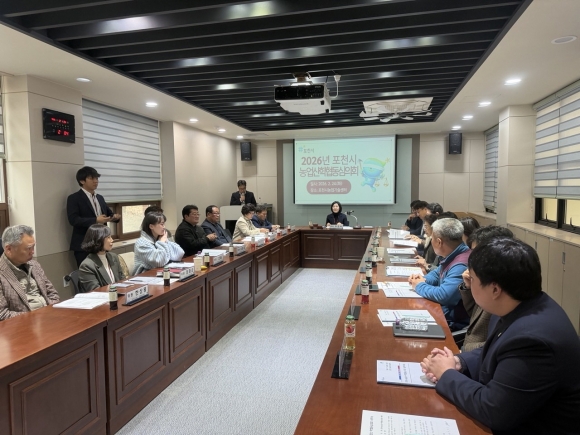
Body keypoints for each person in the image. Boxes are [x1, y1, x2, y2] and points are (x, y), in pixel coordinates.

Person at [420, 238, 580, 435]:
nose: (468, 281)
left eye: (473, 279)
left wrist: (446, 373)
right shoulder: (518, 305)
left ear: (495, 289)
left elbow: (493, 410)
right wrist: (459, 362)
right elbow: (495, 351)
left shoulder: (533, 340)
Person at [458, 226, 514, 352]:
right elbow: (475, 316)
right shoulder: (485, 277)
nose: (472, 258)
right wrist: (469, 287)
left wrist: (461, 353)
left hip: (476, 354)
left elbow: (497, 344)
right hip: (470, 350)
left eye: (477, 253)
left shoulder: (502, 287)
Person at [409, 218, 470, 330]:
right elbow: (437, 273)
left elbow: (444, 295)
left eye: (431, 238)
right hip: (442, 313)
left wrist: (419, 285)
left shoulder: (461, 264)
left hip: (451, 322)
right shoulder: (454, 253)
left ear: (439, 242)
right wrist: (423, 279)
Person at [0, 225, 60, 320]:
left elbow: (53, 294)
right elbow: (2, 314)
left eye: (33, 247)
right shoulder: (2, 273)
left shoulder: (34, 265)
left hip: (48, 318)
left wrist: (51, 314)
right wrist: (35, 317)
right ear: (9, 249)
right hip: (22, 324)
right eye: (28, 248)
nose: (32, 252)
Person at [67, 166, 120, 267]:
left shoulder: (99, 198)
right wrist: (95, 220)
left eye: (96, 178)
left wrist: (115, 217)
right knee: (87, 272)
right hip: (84, 244)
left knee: (104, 271)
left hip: (102, 242)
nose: (96, 181)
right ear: (82, 181)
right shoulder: (74, 198)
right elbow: (73, 220)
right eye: (92, 178)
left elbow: (109, 214)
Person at [78, 224, 126, 291]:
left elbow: (122, 280)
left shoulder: (113, 257)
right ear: (98, 240)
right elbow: (96, 291)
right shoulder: (86, 266)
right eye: (108, 237)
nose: (112, 240)